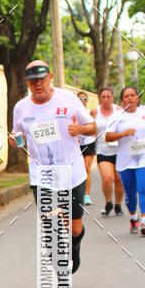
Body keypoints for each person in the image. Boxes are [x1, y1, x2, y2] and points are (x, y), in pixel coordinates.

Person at [10, 60, 96, 273]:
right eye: (32, 82)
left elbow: (92, 127)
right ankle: (61, 271)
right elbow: (17, 133)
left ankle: (74, 246)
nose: (38, 85)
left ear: (50, 77)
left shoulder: (68, 99)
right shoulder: (21, 108)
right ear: (27, 83)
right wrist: (15, 139)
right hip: (42, 174)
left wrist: (80, 129)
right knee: (51, 226)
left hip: (72, 171)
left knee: (75, 228)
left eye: (41, 80)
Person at [104, 86, 145, 235]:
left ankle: (144, 221)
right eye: (126, 96)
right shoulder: (117, 116)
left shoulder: (143, 113)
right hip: (125, 160)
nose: (130, 98)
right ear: (122, 100)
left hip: (143, 159)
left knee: (143, 188)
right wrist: (123, 134)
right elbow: (107, 137)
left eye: (133, 95)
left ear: (137, 98)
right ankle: (134, 217)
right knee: (130, 192)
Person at [93, 86, 124, 216]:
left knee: (119, 181)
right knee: (107, 178)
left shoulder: (119, 110)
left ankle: (118, 205)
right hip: (102, 150)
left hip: (119, 150)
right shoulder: (95, 112)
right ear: (100, 98)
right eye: (103, 97)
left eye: (108, 97)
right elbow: (89, 126)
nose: (106, 99)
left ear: (112, 97)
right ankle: (108, 202)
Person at [77, 90, 96, 205]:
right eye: (80, 99)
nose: (82, 101)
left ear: (87, 101)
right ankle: (77, 194)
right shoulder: (72, 112)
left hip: (89, 143)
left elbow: (95, 126)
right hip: (76, 144)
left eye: (84, 99)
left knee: (86, 168)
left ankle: (86, 195)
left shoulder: (89, 113)